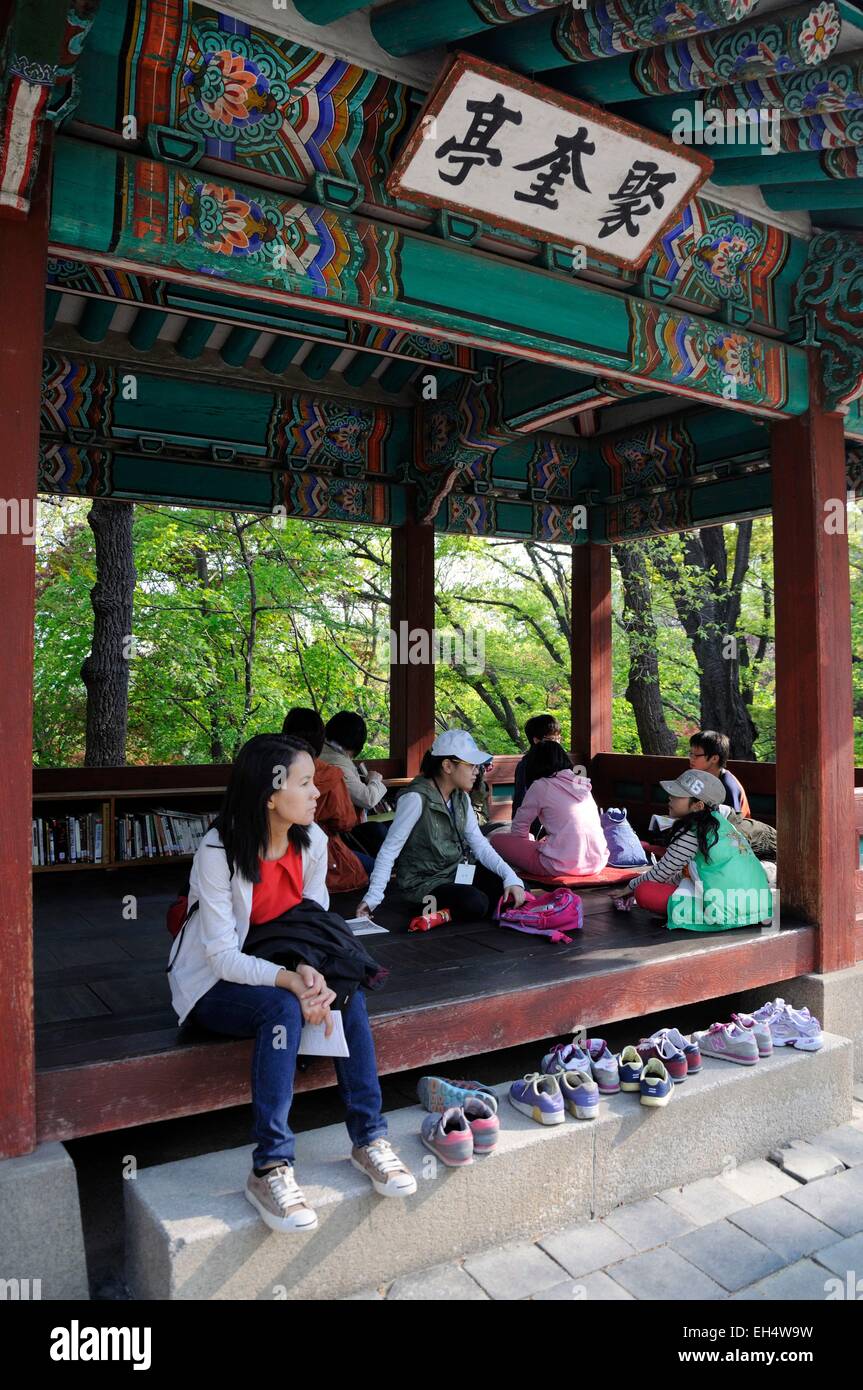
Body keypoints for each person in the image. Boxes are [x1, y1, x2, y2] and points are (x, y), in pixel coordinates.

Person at [167, 733, 416, 1234]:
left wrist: (313, 971)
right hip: (214, 985)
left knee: (347, 989)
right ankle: (271, 1167)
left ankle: (370, 1138)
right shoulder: (218, 852)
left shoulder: (314, 843)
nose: (316, 792)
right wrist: (289, 980)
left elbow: (311, 925)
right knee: (280, 1009)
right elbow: (220, 957)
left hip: (277, 963)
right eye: (305, 783)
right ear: (270, 792)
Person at [355, 730, 527, 925]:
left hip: (456, 873)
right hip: (423, 885)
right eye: (471, 765)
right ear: (447, 766)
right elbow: (389, 850)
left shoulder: (461, 797)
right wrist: (372, 899)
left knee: (515, 889)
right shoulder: (415, 798)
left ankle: (455, 911)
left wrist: (510, 877)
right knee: (474, 903)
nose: (477, 771)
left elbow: (479, 844)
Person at [612, 768, 771, 931]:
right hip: (758, 906)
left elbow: (661, 872)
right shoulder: (721, 825)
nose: (670, 797)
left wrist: (629, 888)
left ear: (698, 805)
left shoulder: (691, 832)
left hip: (725, 912)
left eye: (677, 795)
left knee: (644, 891)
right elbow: (682, 871)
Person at [281, 707, 370, 892]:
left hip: (279, 849)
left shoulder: (274, 767)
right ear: (320, 739)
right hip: (326, 853)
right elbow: (345, 822)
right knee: (374, 868)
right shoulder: (330, 774)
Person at [492, 741, 609, 878]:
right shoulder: (581, 783)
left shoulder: (541, 785)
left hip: (560, 866)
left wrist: (525, 844)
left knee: (496, 840)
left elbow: (520, 826)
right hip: (597, 862)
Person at [320, 711, 388, 813]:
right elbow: (368, 799)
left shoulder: (319, 752)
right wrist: (375, 780)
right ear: (357, 744)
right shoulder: (338, 766)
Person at [689, 730, 751, 817]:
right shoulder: (698, 778)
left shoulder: (729, 787)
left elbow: (733, 823)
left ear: (714, 759)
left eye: (696, 755)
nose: (691, 758)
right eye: (690, 754)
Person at [511, 714, 562, 817]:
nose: (557, 744)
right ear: (536, 740)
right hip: (536, 824)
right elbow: (521, 801)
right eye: (552, 739)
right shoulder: (525, 766)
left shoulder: (563, 763)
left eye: (559, 738)